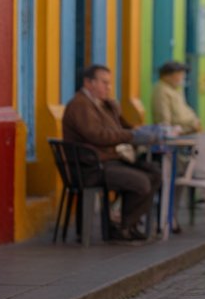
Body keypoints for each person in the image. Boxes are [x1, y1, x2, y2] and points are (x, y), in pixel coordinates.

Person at [62, 64, 162, 242]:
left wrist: (140, 130)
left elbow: (124, 126)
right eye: (103, 83)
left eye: (109, 83)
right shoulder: (80, 105)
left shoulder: (104, 105)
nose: (108, 87)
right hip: (93, 167)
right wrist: (130, 136)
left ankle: (127, 224)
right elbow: (97, 136)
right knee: (141, 182)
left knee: (155, 173)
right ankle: (121, 227)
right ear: (88, 83)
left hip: (111, 160)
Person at [151, 61, 200, 133]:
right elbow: (164, 122)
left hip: (188, 131)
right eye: (180, 74)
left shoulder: (174, 90)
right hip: (178, 136)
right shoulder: (162, 91)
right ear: (167, 76)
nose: (183, 77)